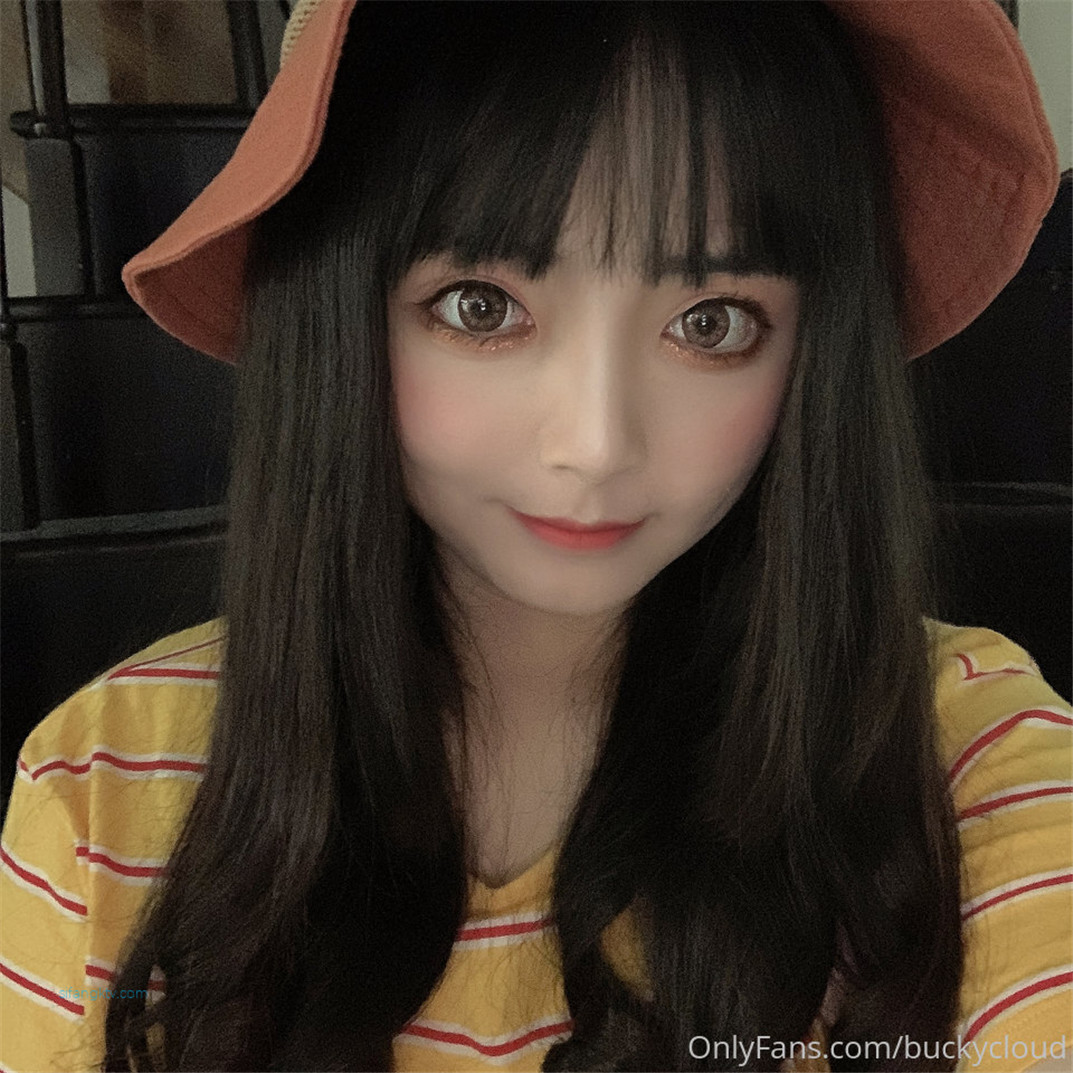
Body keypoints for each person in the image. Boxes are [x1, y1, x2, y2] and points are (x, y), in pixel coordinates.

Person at [1, 2, 1070, 1071]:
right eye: (480, 307)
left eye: (710, 323)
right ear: (339, 313)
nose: (595, 443)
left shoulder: (965, 764)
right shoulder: (103, 790)